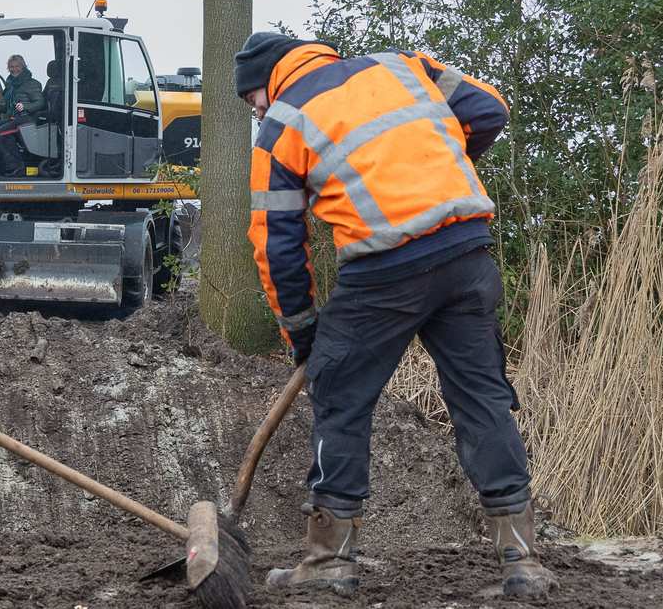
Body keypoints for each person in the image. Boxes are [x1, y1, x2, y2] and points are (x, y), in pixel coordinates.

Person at [234, 32, 555, 599]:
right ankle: (523, 563)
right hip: (465, 253)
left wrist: (303, 333)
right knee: (483, 398)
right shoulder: (402, 68)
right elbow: (488, 109)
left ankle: (328, 563)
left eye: (252, 98)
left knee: (339, 396)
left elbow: (277, 244)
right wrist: (431, 169)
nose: (255, 110)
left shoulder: (282, 123)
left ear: (270, 80)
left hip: (384, 272)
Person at [0, 54, 46, 175]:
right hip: (13, 118)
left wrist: (25, 107)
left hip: (26, 119)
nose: (14, 69)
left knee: (2, 132)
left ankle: (17, 167)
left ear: (23, 66)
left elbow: (40, 102)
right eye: (11, 67)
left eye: (17, 66)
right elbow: (8, 107)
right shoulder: (10, 85)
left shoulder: (32, 84)